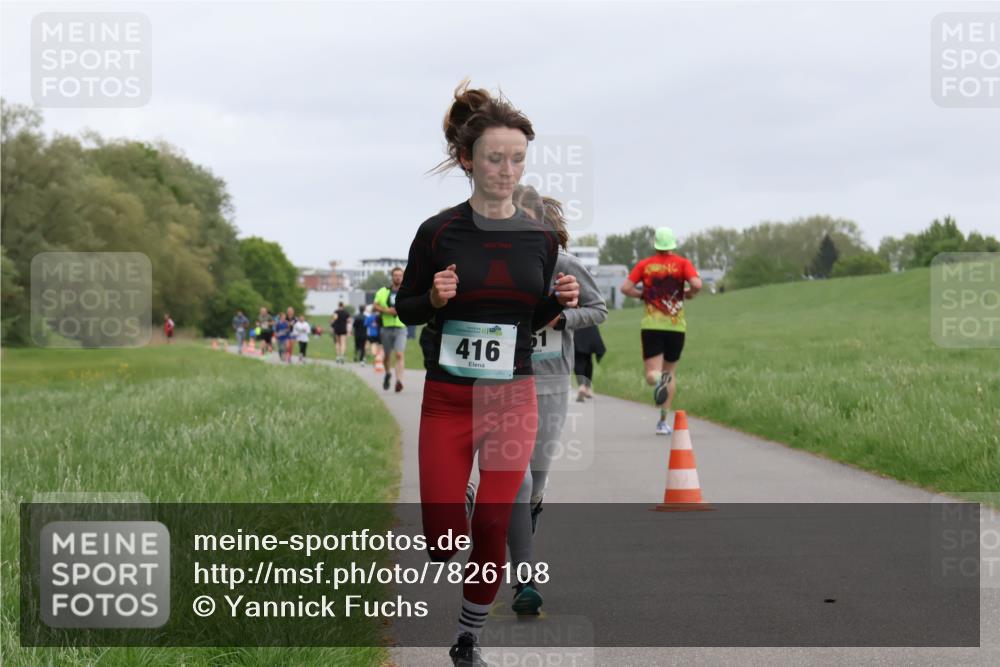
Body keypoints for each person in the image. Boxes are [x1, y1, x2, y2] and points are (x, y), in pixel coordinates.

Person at [395, 81, 578, 667]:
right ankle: (462, 506)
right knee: (445, 541)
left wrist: (560, 302)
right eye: (495, 158)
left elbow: (528, 320)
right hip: (448, 400)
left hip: (513, 397)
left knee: (498, 519)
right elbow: (407, 309)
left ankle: (468, 636)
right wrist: (436, 297)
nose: (506, 169)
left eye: (517, 158)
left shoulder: (542, 239)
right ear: (466, 160)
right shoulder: (437, 232)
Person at [506, 186, 607, 616]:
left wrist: (564, 317)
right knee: (517, 478)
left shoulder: (566, 266)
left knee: (536, 480)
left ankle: (521, 528)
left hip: (549, 382)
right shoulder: (499, 266)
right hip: (506, 382)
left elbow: (599, 309)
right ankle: (523, 577)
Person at [620, 226, 702, 436]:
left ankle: (657, 381)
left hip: (652, 326)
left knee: (651, 374)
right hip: (676, 327)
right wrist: (687, 293)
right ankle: (663, 422)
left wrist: (644, 296)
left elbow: (625, 288)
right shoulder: (683, 263)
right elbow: (697, 284)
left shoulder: (645, 265)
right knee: (670, 372)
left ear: (655, 244)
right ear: (673, 244)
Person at [374, 267, 407, 392]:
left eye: (400, 275)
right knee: (387, 356)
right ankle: (387, 374)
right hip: (386, 327)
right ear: (392, 277)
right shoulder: (383, 291)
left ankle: (399, 381)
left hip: (401, 327)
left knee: (399, 354)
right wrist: (387, 310)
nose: (398, 277)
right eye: (395, 275)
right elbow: (375, 305)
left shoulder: (407, 291)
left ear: (403, 277)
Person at [573, 324, 606, 401]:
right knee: (588, 358)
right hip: (589, 326)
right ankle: (587, 388)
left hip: (577, 328)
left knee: (578, 359)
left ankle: (582, 385)